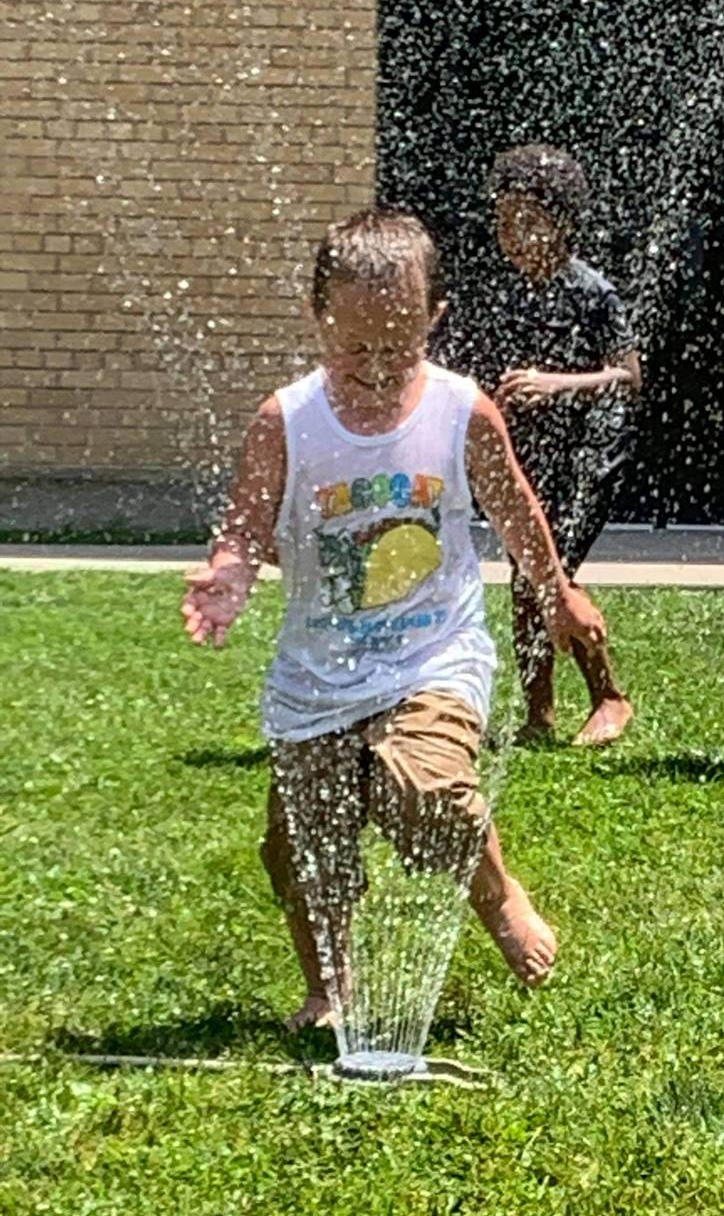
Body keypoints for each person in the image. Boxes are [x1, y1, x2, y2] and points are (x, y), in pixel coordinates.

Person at [181, 208, 608, 1031]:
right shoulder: (287, 420)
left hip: (431, 654)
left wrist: (557, 593)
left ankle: (497, 896)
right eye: (354, 350)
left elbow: (514, 506)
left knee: (429, 790)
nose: (376, 368)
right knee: (302, 846)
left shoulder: (460, 409)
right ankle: (328, 983)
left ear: (433, 321)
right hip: (317, 673)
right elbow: (244, 523)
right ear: (318, 319)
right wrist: (230, 573)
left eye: (398, 346)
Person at [435, 144, 639, 748]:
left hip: (588, 455)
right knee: (527, 574)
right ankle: (540, 713)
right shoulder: (500, 291)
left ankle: (608, 697)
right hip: (527, 457)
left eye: (523, 220)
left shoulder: (591, 292)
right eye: (501, 221)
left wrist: (558, 384)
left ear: (561, 221)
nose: (508, 234)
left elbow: (629, 375)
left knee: (543, 575)